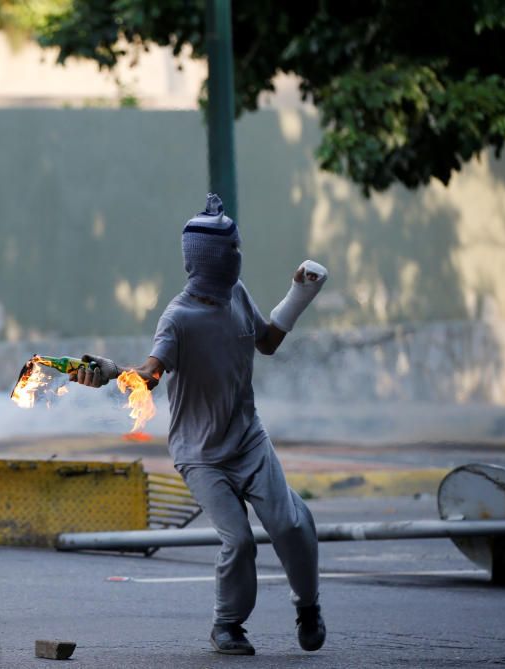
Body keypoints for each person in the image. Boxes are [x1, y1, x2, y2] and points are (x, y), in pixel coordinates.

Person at [70, 193, 328, 656]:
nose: (236, 260)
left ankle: (308, 605)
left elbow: (266, 343)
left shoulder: (237, 294)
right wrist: (110, 372)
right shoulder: (178, 318)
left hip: (248, 438)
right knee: (239, 540)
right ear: (209, 260)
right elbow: (148, 377)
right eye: (230, 252)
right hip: (200, 453)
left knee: (289, 523)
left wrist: (299, 296)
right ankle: (227, 625)